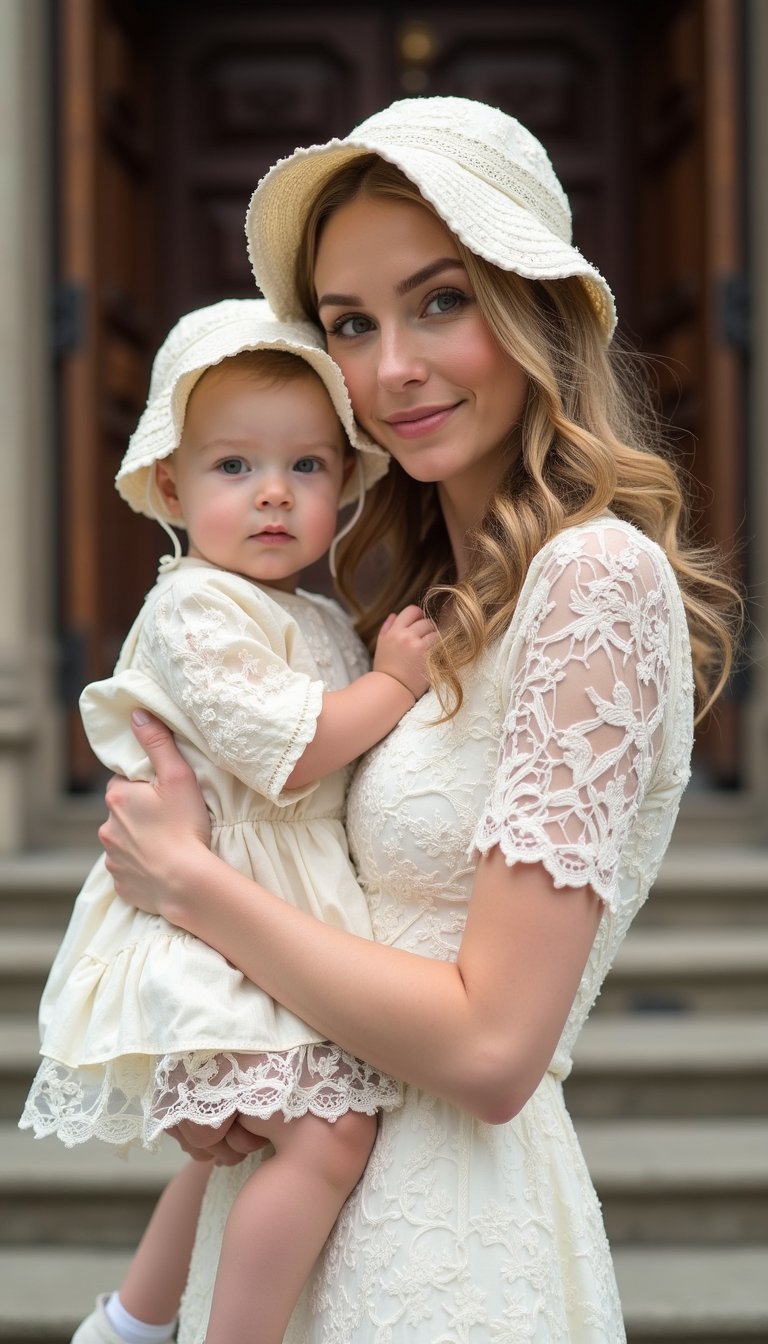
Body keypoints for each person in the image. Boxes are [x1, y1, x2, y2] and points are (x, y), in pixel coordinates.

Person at [98, 97, 741, 1344]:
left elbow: (495, 1048)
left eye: (440, 301)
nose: (391, 365)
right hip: (295, 1199)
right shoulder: (396, 606)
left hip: (442, 1246)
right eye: (350, 323)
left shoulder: (593, 580)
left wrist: (188, 884)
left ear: (532, 307)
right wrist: (218, 1055)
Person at [20, 297, 440, 1344]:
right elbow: (293, 751)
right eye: (233, 468)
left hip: (283, 911)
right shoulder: (193, 607)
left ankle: (129, 1323)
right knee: (327, 1136)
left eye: (305, 467)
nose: (271, 496)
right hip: (220, 927)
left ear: (344, 483)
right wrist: (393, 686)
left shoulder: (312, 615)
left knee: (264, 1145)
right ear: (170, 484)